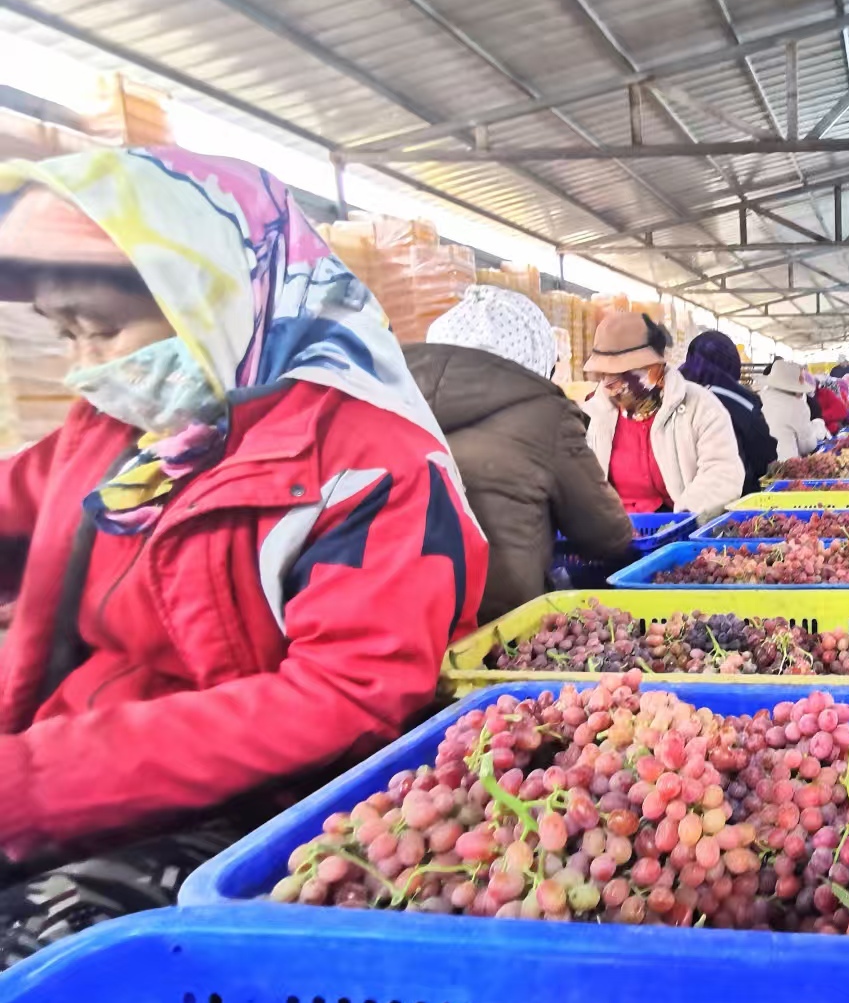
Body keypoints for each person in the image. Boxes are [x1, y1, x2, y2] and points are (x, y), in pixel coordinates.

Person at [0, 149, 488, 961]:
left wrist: (38, 780)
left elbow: (346, 694)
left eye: (105, 330)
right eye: (66, 334)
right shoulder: (126, 438)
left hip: (260, 814)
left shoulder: (370, 461)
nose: (86, 367)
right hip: (70, 771)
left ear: (213, 296)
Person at [405, 285, 631, 623]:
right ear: (534, 355)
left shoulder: (385, 402)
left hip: (408, 626)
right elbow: (607, 536)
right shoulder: (545, 416)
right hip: (503, 626)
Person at [581, 312, 745, 519]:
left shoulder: (701, 406)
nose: (609, 383)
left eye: (622, 373)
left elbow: (722, 473)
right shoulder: (591, 416)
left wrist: (682, 519)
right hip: (613, 529)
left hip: (681, 528)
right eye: (604, 374)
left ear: (654, 367)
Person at [677, 330, 777, 495]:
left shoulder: (675, 396)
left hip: (685, 499)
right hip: (736, 497)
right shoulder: (740, 400)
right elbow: (764, 455)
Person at [760, 362, 825, 462]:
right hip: (785, 464)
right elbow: (808, 446)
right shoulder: (798, 406)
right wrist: (817, 426)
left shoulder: (760, 397)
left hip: (759, 463)